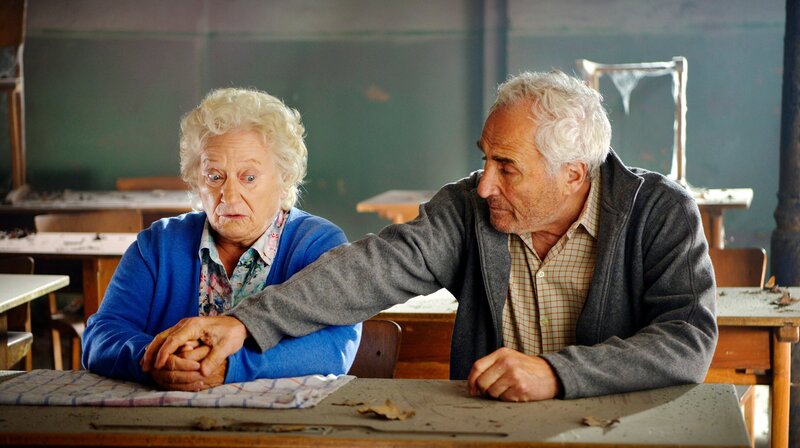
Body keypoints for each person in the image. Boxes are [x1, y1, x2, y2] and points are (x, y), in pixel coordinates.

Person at [143, 71, 717, 401]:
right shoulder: (468, 209)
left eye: (507, 167)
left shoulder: (660, 211)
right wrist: (243, 323)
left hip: (618, 433)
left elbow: (685, 340)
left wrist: (556, 374)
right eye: (485, 159)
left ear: (573, 174)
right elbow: (370, 269)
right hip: (490, 431)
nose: (484, 184)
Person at [83, 88, 361, 391]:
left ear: (284, 179)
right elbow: (101, 335)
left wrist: (229, 367)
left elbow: (334, 347)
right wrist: (158, 359)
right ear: (197, 179)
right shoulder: (157, 245)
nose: (229, 196)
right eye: (215, 176)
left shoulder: (317, 244)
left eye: (248, 177)